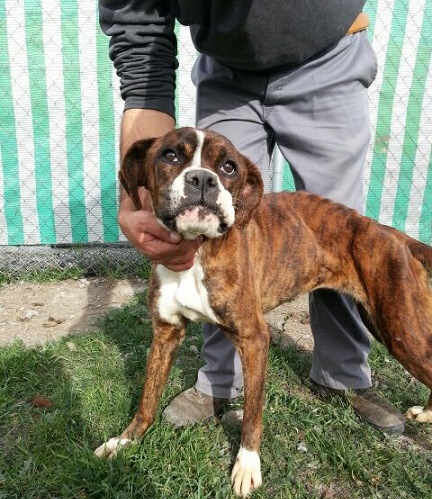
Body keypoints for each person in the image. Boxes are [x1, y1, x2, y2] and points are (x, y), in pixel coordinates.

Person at [98, 1, 405, 434]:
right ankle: (220, 380)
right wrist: (137, 197)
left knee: (340, 244)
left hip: (330, 54)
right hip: (226, 69)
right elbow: (138, 27)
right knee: (215, 237)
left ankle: (343, 375)